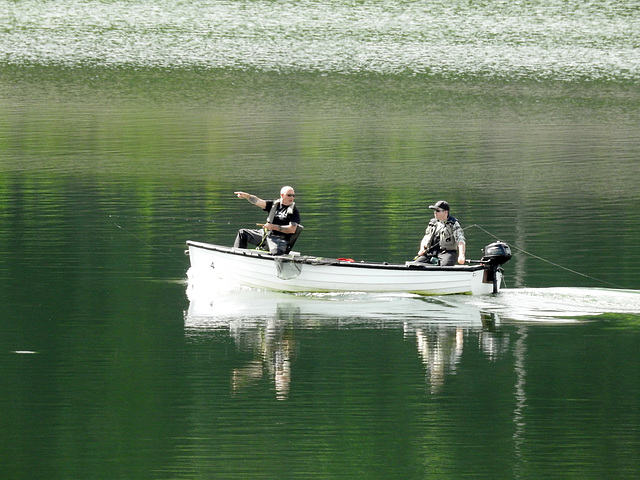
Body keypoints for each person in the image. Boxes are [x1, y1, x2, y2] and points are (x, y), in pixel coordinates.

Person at [233, 186, 301, 255]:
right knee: (242, 233)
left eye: (293, 195)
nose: (292, 197)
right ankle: (238, 256)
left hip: (279, 239)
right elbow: (258, 201)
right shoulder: (273, 205)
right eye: (289, 195)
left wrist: (273, 227)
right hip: (265, 234)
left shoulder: (294, 211)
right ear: (282, 195)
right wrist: (246, 196)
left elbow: (292, 229)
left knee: (276, 253)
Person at [414, 200, 466, 266]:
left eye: (438, 211)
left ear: (445, 212)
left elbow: (460, 240)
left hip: (448, 253)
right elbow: (425, 238)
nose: (435, 213)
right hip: (431, 252)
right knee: (415, 265)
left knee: (445, 265)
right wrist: (422, 249)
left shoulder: (453, 224)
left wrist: (461, 255)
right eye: (434, 211)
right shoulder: (432, 223)